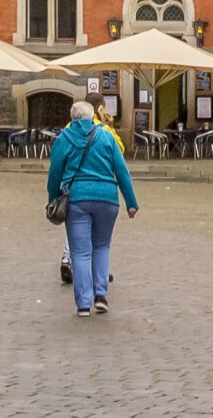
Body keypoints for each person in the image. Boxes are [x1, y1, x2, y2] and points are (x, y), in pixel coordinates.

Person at [46, 99, 137, 317]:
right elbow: (121, 170)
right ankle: (100, 295)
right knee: (102, 246)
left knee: (80, 252)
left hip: (77, 199)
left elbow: (54, 174)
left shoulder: (64, 138)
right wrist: (131, 202)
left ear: (72, 118)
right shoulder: (106, 136)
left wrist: (53, 198)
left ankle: (84, 304)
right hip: (108, 199)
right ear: (91, 117)